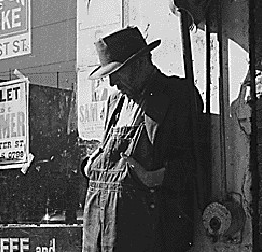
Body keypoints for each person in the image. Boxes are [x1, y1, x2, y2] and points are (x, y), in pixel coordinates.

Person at [82, 26, 203, 252]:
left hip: (149, 234)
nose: (112, 83)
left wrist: (150, 177)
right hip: (102, 233)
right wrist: (91, 165)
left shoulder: (177, 94)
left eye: (117, 72)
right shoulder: (116, 103)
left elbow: (194, 165)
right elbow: (108, 156)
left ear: (140, 61)